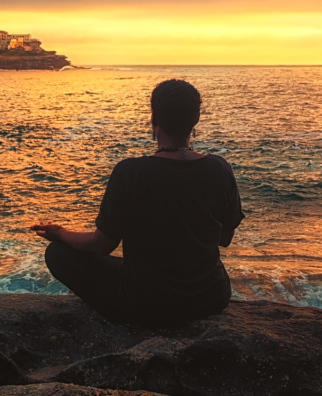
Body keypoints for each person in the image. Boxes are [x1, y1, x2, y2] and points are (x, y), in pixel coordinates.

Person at [31, 79, 244, 325]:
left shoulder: (130, 171)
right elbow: (224, 239)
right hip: (211, 298)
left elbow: (101, 245)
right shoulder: (219, 168)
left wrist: (61, 233)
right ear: (194, 120)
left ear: (154, 118)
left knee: (57, 253)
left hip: (145, 303)